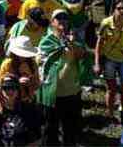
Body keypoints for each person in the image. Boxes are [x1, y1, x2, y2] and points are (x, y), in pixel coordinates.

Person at [38, 8, 86, 146]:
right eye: (59, 18)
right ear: (52, 22)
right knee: (50, 131)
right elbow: (42, 64)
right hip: (52, 94)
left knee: (70, 132)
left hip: (71, 93)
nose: (63, 21)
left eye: (65, 18)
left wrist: (71, 44)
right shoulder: (46, 42)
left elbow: (82, 56)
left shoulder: (74, 41)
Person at [95, 0, 123, 124]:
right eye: (119, 8)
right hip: (109, 59)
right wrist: (97, 63)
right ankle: (110, 113)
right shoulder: (105, 23)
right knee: (111, 89)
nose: (122, 11)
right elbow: (99, 44)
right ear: (114, 10)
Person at [0, 74, 43, 146]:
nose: (10, 91)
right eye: (6, 88)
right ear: (1, 91)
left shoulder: (29, 110)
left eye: (13, 87)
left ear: (18, 90)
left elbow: (37, 139)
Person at [0, 36, 40, 103]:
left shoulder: (32, 64)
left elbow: (37, 84)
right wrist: (17, 82)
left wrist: (30, 82)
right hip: (11, 102)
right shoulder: (7, 64)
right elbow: (0, 85)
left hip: (29, 101)